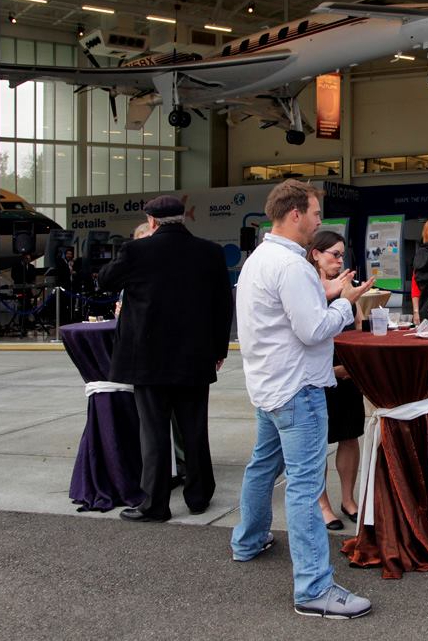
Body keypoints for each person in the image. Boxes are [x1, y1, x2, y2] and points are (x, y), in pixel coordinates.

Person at [231, 179, 374, 619]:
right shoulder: (292, 266)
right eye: (315, 213)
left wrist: (328, 294)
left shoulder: (260, 258)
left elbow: (287, 312)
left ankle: (248, 539)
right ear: (295, 214)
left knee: (263, 466)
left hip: (270, 386)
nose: (319, 221)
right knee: (305, 486)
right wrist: (347, 303)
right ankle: (314, 588)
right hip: (298, 389)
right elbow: (313, 329)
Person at [97, 195, 233, 522]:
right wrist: (218, 350)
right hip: (195, 357)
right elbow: (223, 305)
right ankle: (199, 496)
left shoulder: (136, 251)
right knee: (195, 429)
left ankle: (154, 504)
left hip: (148, 358)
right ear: (184, 218)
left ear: (152, 221)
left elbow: (105, 280)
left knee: (154, 432)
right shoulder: (210, 252)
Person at [306, 230, 363, 532]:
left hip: (348, 369)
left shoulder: (347, 285)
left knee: (350, 434)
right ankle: (323, 504)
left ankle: (349, 499)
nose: (340, 260)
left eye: (342, 254)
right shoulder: (307, 287)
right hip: (319, 373)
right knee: (317, 445)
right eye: (334, 254)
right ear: (316, 254)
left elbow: (359, 324)